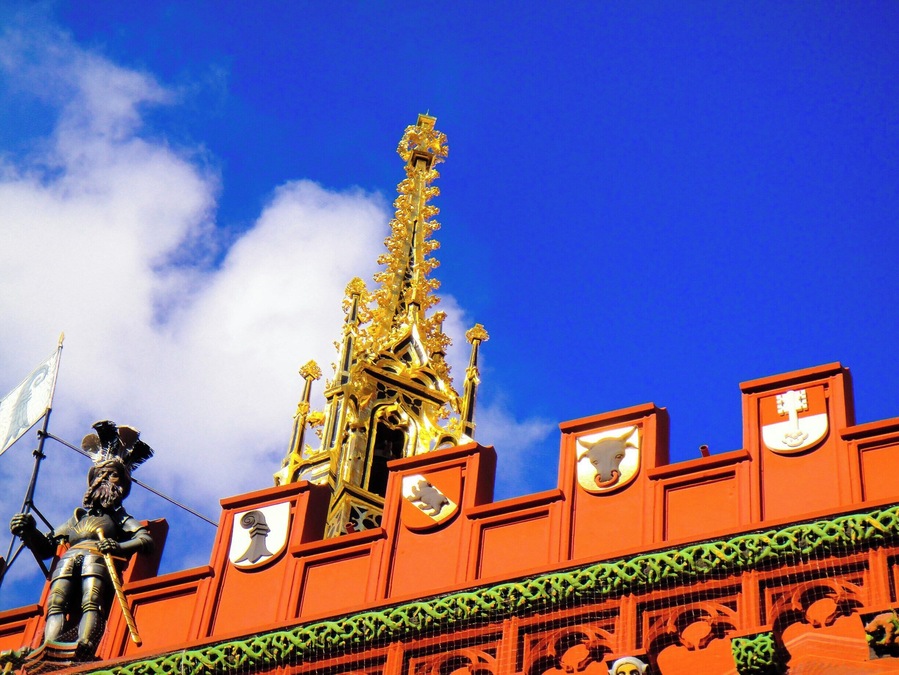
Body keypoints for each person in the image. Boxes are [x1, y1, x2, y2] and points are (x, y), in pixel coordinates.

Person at [9, 421, 153, 659]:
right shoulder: (76, 518)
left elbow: (145, 539)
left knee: (92, 599)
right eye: (101, 474)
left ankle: (86, 641)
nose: (105, 479)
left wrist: (119, 545)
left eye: (113, 475)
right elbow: (47, 548)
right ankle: (49, 644)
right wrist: (29, 529)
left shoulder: (118, 516)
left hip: (96, 557)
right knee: (56, 602)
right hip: (69, 558)